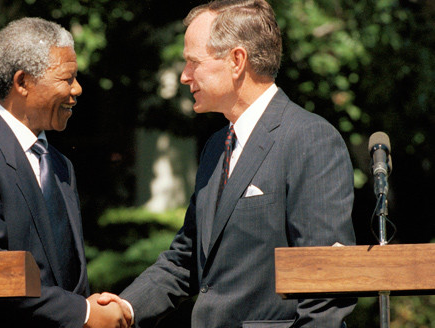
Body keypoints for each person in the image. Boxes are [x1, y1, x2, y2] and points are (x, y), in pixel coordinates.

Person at [99, 1, 357, 327]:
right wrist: (123, 308)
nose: (184, 76)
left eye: (193, 62)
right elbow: (185, 259)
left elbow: (326, 285)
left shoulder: (311, 139)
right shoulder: (215, 148)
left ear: (237, 61)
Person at [0, 17, 130, 328]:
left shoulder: (60, 164)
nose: (77, 89)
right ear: (22, 82)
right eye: (67, 79)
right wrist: (85, 314)